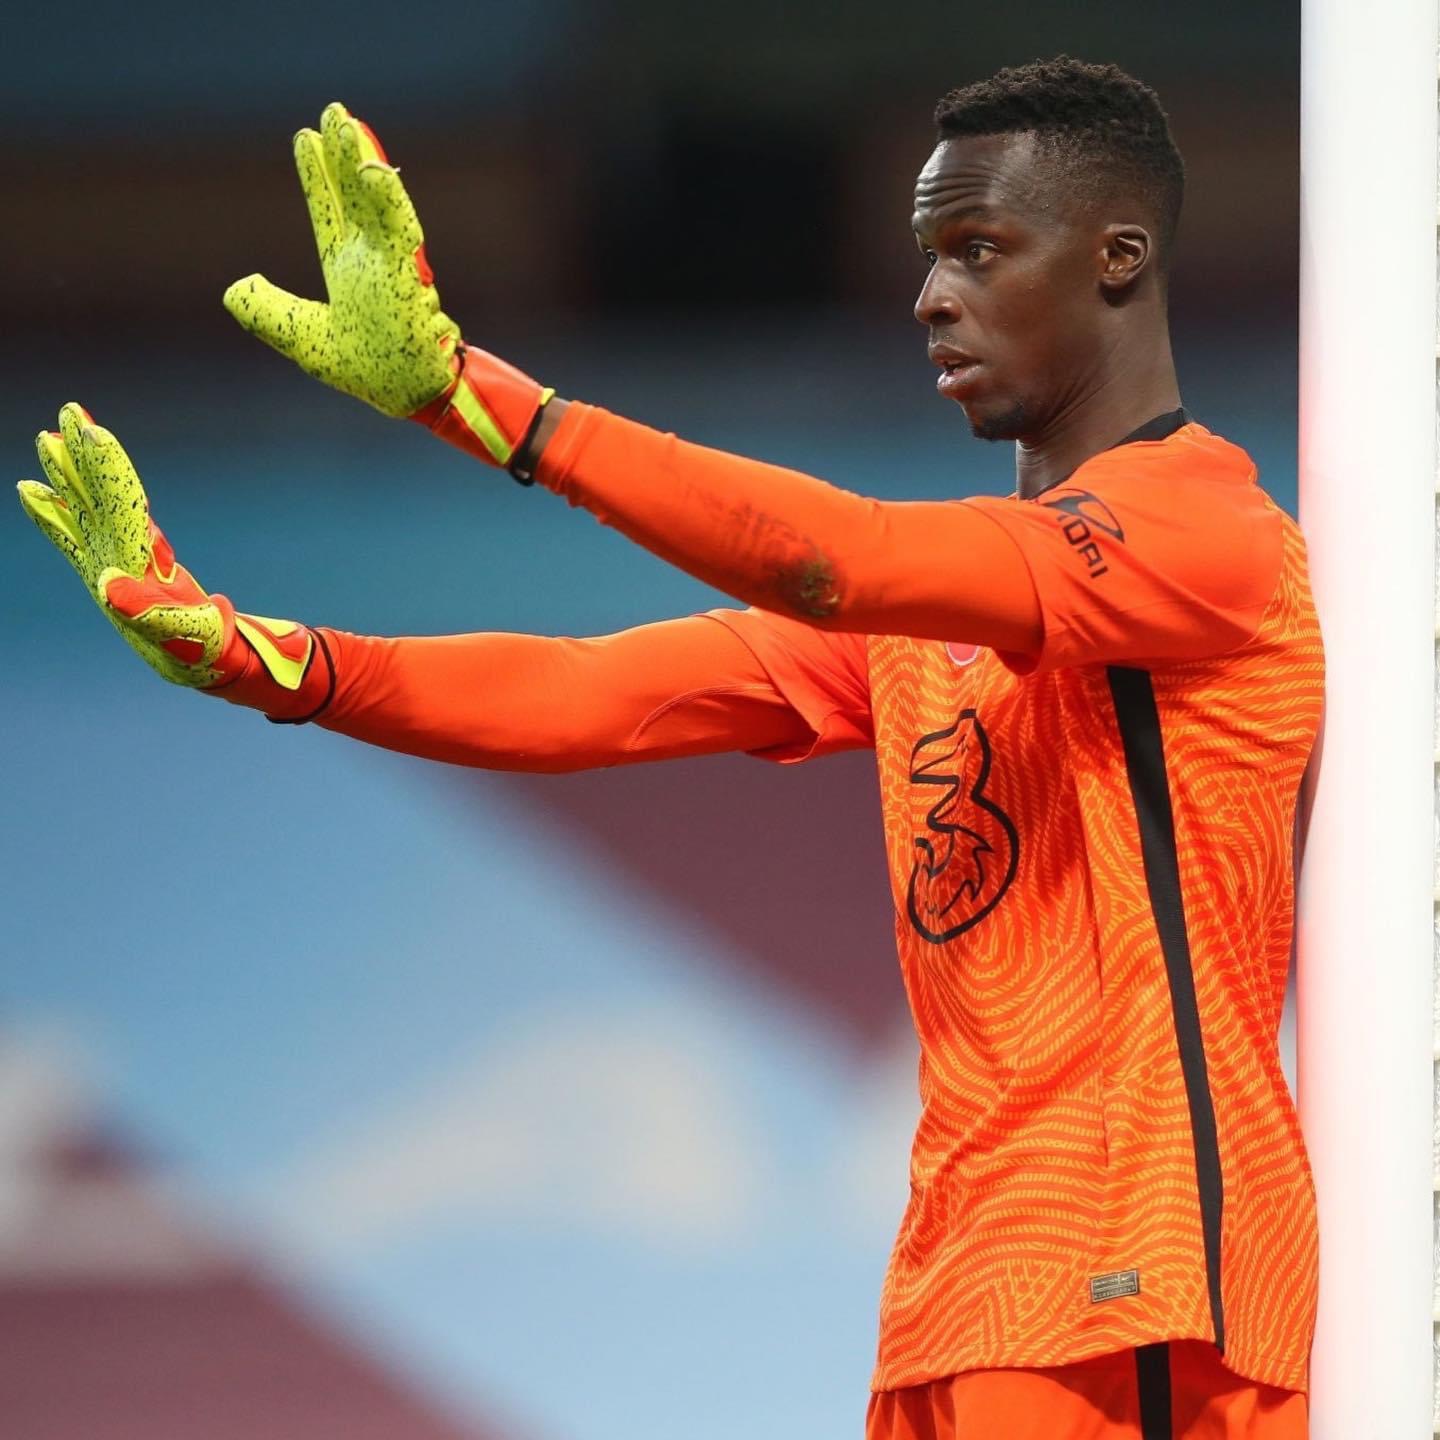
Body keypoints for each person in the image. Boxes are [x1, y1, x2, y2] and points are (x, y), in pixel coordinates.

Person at [18, 56, 1318, 1440]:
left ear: (1119, 258)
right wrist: (269, 662)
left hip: (1145, 1282)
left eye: (980, 249)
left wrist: (482, 403)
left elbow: (829, 561)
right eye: (929, 256)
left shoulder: (1201, 534)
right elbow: (588, 694)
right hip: (964, 1288)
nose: (933, 297)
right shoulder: (931, 618)